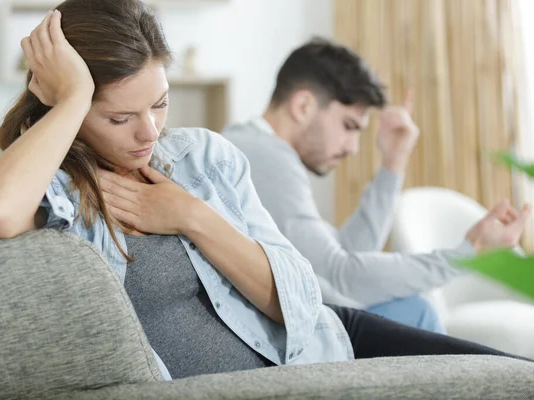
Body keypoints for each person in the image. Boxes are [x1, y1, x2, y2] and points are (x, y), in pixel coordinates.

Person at [0, 0, 529, 381]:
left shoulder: (201, 156)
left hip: (317, 343)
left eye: (159, 104)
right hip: (294, 373)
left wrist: (192, 216)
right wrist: (73, 96)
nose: (149, 132)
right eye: (118, 117)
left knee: (510, 376)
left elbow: (304, 294)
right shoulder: (59, 196)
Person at [223, 38, 531, 333]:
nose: (353, 147)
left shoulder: (253, 146)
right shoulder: (266, 157)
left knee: (411, 309)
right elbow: (342, 275)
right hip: (274, 332)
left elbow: (348, 254)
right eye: (349, 126)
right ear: (303, 106)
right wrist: (468, 254)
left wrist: (393, 162)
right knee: (415, 311)